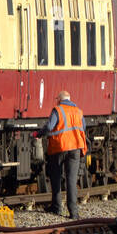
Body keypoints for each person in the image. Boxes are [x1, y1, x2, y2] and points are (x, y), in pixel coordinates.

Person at [41, 90, 87, 219]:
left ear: (59, 100)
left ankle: (56, 207)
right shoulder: (78, 111)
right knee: (71, 180)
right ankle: (74, 212)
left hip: (59, 147)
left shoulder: (58, 110)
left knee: (56, 177)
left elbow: (49, 127)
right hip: (76, 148)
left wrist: (39, 134)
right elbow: (83, 127)